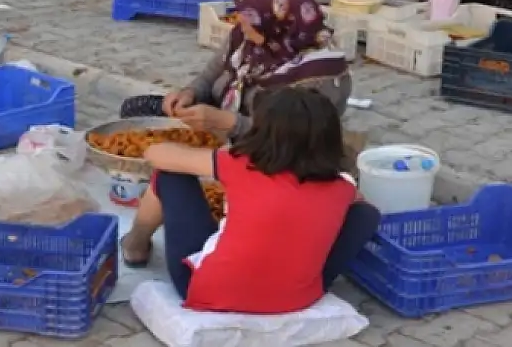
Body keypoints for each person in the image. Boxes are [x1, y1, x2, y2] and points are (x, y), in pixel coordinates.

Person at [122, 87, 381, 313]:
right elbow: (358, 205)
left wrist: (215, 156)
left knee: (170, 175)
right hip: (296, 300)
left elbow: (157, 154)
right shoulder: (342, 187)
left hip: (206, 291)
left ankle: (136, 244)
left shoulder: (239, 165)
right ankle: (305, 279)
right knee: (365, 214)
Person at [119, 0, 352, 138]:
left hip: (275, 147)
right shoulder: (248, 38)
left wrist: (229, 124)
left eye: (248, 22)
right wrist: (189, 93)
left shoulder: (319, 74)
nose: (240, 26)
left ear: (278, 25)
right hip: (225, 117)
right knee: (135, 110)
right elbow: (210, 74)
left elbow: (293, 138)